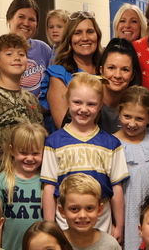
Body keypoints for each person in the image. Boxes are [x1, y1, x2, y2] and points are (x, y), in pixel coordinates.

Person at [41, 73, 128, 240]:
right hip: (64, 223)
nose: (83, 109)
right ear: (67, 101)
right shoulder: (54, 142)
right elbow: (49, 188)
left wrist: (119, 226)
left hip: (102, 221)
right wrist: (49, 226)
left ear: (100, 105)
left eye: (91, 104)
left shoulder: (111, 143)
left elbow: (117, 188)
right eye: (77, 102)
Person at [0, 33, 43, 187]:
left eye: (21, 54)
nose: (16, 58)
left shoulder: (31, 99)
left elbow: (40, 142)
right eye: (9, 54)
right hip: (4, 184)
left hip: (32, 181)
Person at [114, 87, 149, 250]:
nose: (132, 123)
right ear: (119, 111)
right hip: (124, 214)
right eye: (127, 116)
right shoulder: (111, 143)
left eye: (140, 118)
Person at [0, 122, 47, 250]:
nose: (29, 158)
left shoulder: (48, 182)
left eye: (36, 153)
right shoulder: (1, 181)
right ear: (12, 150)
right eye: (23, 152)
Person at [46, 12, 103, 129]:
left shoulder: (106, 70)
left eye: (90, 32)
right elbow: (64, 125)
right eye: (77, 33)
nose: (85, 38)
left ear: (97, 35)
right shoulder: (59, 74)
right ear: (69, 38)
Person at [5, 0, 54, 119]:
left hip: (41, 121)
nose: (26, 23)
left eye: (32, 19)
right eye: (21, 17)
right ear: (9, 18)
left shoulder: (44, 49)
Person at [99, 38, 143, 133]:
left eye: (125, 70)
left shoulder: (139, 105)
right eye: (111, 68)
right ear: (101, 71)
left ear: (132, 75)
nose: (117, 75)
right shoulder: (86, 101)